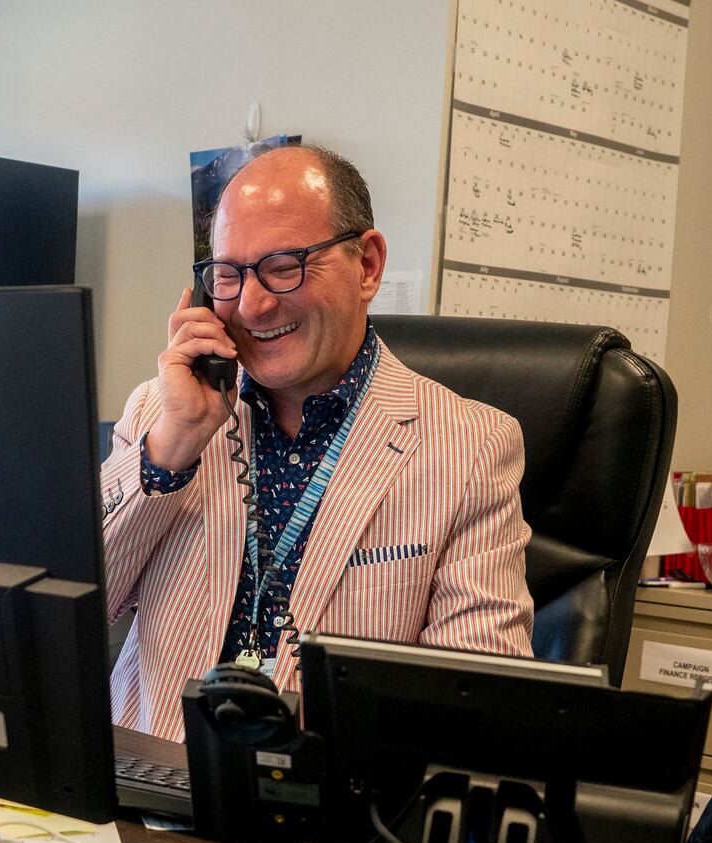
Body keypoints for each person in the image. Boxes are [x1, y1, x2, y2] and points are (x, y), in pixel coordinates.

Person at [101, 144, 533, 741]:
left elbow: (479, 697)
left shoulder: (472, 447)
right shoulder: (162, 411)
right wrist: (172, 448)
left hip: (327, 814)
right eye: (228, 274)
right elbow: (68, 617)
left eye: (284, 265)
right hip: (144, 793)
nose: (253, 305)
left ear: (368, 266)